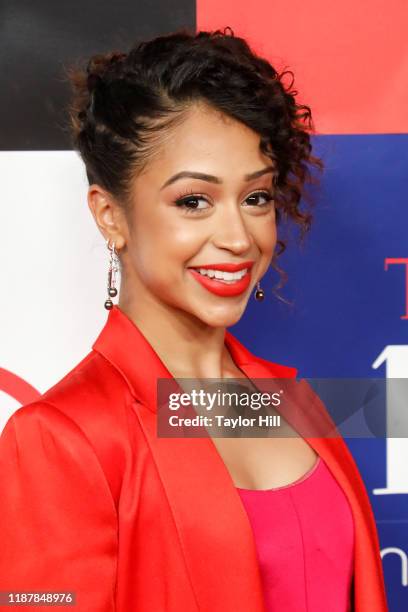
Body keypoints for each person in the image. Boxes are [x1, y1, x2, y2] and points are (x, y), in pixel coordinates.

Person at [0, 27, 387, 612]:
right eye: (193, 201)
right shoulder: (64, 438)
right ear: (111, 216)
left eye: (255, 198)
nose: (237, 237)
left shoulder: (290, 400)